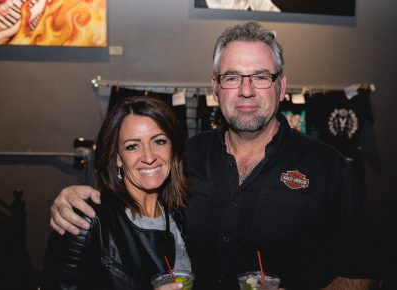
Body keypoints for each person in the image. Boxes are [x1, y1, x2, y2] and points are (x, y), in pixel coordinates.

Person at [49, 22, 378, 289]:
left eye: (261, 77)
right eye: (232, 77)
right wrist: (73, 197)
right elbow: (132, 203)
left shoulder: (327, 168)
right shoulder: (186, 157)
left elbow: (362, 271)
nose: (246, 90)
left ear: (281, 86)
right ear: (215, 88)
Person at [42, 96, 191, 289]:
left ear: (172, 148)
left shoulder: (180, 213)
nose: (149, 157)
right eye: (132, 146)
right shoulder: (86, 221)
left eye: (159, 141)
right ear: (118, 157)